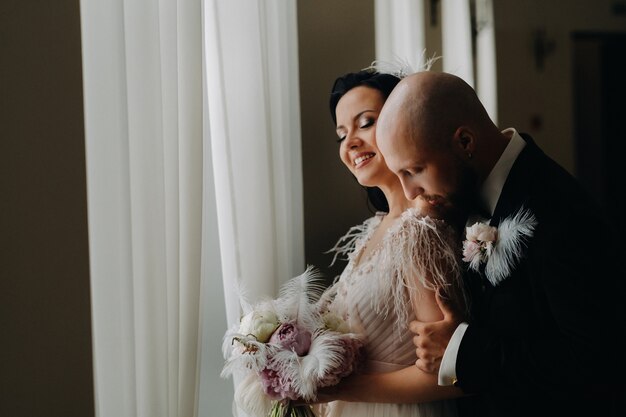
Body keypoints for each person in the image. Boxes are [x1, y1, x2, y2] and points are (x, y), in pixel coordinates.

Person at [376, 70, 626, 417]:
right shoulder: (460, 200)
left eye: (414, 170)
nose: (409, 192)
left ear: (465, 142)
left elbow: (598, 361)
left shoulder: (559, 212)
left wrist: (463, 350)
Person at [314, 69, 469, 417]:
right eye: (342, 133)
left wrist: (338, 390)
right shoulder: (375, 228)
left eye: (365, 122)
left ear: (398, 124)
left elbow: (448, 374)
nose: (350, 142)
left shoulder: (420, 231)